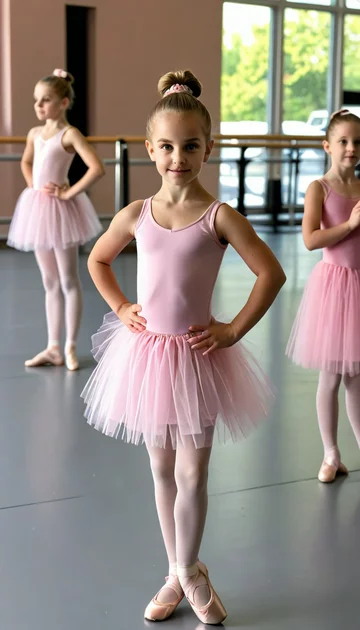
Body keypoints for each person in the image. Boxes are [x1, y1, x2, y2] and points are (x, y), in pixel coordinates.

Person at [82, 70, 286, 624]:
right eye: (167, 146)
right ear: (150, 149)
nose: (178, 157)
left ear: (207, 148)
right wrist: (123, 308)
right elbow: (98, 259)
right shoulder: (137, 214)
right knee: (161, 471)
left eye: (190, 146)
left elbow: (271, 274)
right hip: (147, 359)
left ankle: (188, 570)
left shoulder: (218, 217)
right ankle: (178, 572)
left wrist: (233, 329)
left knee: (194, 474)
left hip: (198, 358)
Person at [7, 68, 104, 370]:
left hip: (61, 212)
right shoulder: (35, 134)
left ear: (63, 102)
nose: (38, 106)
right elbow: (26, 161)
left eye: (45, 100)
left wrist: (68, 193)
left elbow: (96, 167)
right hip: (37, 209)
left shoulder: (70, 134)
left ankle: (71, 346)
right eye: (36, 100)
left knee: (68, 280)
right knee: (49, 282)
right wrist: (32, 186)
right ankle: (53, 348)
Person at [287, 110, 360, 483]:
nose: (351, 148)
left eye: (357, 142)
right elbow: (311, 239)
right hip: (335, 288)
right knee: (331, 376)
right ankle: (330, 454)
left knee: (357, 378)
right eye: (344, 141)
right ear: (327, 145)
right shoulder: (320, 188)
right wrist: (349, 225)